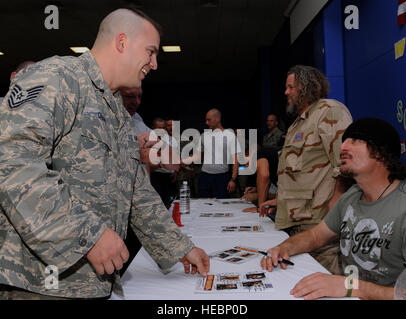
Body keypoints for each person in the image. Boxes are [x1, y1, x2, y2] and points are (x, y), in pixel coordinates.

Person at [0, 8, 209, 300]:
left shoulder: (117, 112)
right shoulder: (57, 78)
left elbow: (136, 191)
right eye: (150, 52)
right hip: (40, 284)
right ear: (122, 42)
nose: (155, 64)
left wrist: (181, 247)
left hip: (90, 283)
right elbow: (12, 163)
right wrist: (88, 235)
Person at [261, 118, 406, 300]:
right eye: (344, 141)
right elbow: (315, 236)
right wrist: (286, 247)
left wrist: (349, 286)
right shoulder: (352, 195)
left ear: (381, 153)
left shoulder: (402, 205)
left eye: (355, 141)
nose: (343, 147)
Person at [259, 65, 353, 274]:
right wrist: (280, 199)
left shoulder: (329, 111)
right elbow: (301, 174)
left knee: (328, 282)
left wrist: (337, 200)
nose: (286, 93)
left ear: (306, 87)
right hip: (297, 223)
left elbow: (346, 163)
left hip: (318, 224)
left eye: (291, 87)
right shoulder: (297, 124)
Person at [182, 108, 241, 198]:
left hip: (222, 177)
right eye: (206, 120)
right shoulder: (204, 136)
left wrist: (233, 179)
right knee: (203, 204)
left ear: (217, 119)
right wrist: (184, 160)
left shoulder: (230, 136)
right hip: (205, 176)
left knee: (220, 207)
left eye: (209, 120)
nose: (206, 122)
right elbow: (198, 156)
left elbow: (236, 160)